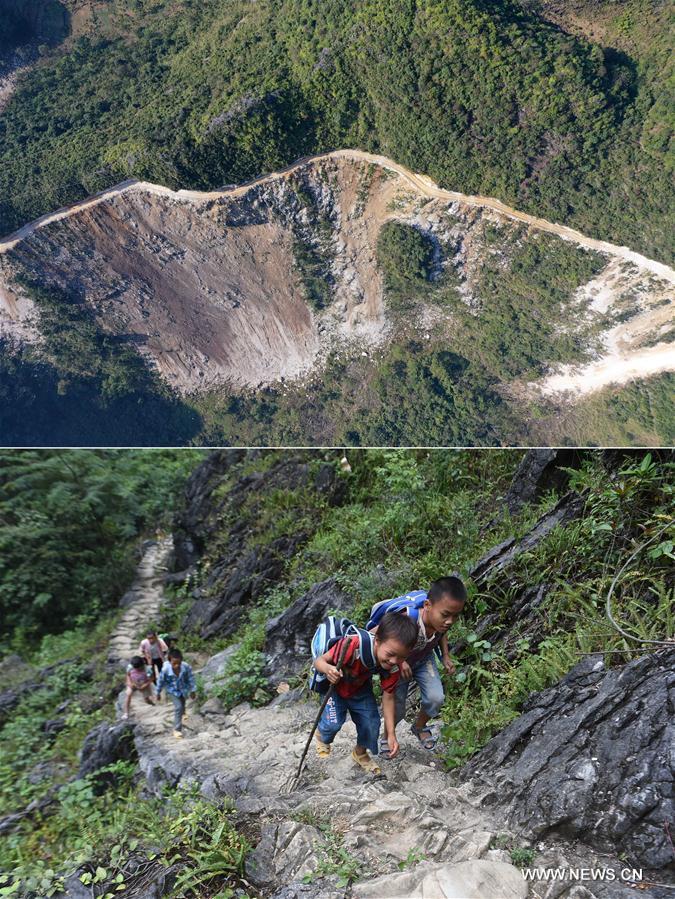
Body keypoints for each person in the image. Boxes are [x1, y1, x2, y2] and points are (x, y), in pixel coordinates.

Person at [312, 611, 418, 774]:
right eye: (390, 654)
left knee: (372, 724)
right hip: (335, 688)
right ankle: (321, 735)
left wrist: (391, 734)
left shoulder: (395, 665)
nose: (394, 661)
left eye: (401, 657)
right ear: (377, 641)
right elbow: (319, 661)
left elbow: (388, 698)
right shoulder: (352, 645)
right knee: (332, 724)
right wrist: (329, 670)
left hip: (359, 689)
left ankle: (360, 753)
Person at [375, 576, 466, 754]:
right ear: (427, 606)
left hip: (423, 659)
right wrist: (400, 663)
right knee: (397, 707)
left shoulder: (441, 622)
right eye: (446, 615)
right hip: (397, 664)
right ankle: (387, 736)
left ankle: (419, 727)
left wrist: (445, 656)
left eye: (455, 616)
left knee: (436, 698)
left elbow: (442, 634)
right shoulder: (409, 618)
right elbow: (385, 640)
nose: (450, 621)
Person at [155, 648, 196, 738]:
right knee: (178, 707)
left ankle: (184, 713)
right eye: (174, 664)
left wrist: (193, 690)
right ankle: (177, 730)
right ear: (170, 662)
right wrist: (157, 693)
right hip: (172, 690)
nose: (177, 666)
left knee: (182, 701)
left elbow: (191, 678)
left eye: (179, 663)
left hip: (183, 688)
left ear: (181, 661)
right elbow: (160, 681)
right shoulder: (165, 669)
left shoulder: (186, 667)